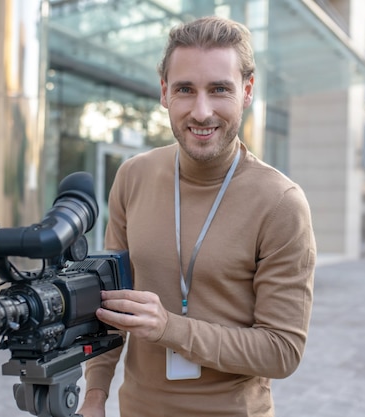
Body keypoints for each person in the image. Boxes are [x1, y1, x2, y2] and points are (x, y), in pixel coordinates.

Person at [78, 15, 316, 417]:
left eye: (219, 89)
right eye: (185, 89)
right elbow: (110, 308)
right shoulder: (133, 176)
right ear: (164, 92)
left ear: (247, 91)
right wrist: (95, 394)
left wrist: (169, 328)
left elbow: (283, 351)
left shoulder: (281, 203)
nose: (201, 112)